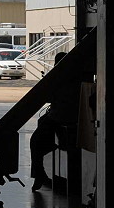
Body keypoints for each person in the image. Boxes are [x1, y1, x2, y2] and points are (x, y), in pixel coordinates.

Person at [30, 52, 78, 191]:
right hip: (64, 117)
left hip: (60, 117)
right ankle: (39, 173)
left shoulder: (60, 78)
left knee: (35, 141)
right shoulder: (73, 76)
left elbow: (48, 97)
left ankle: (39, 174)